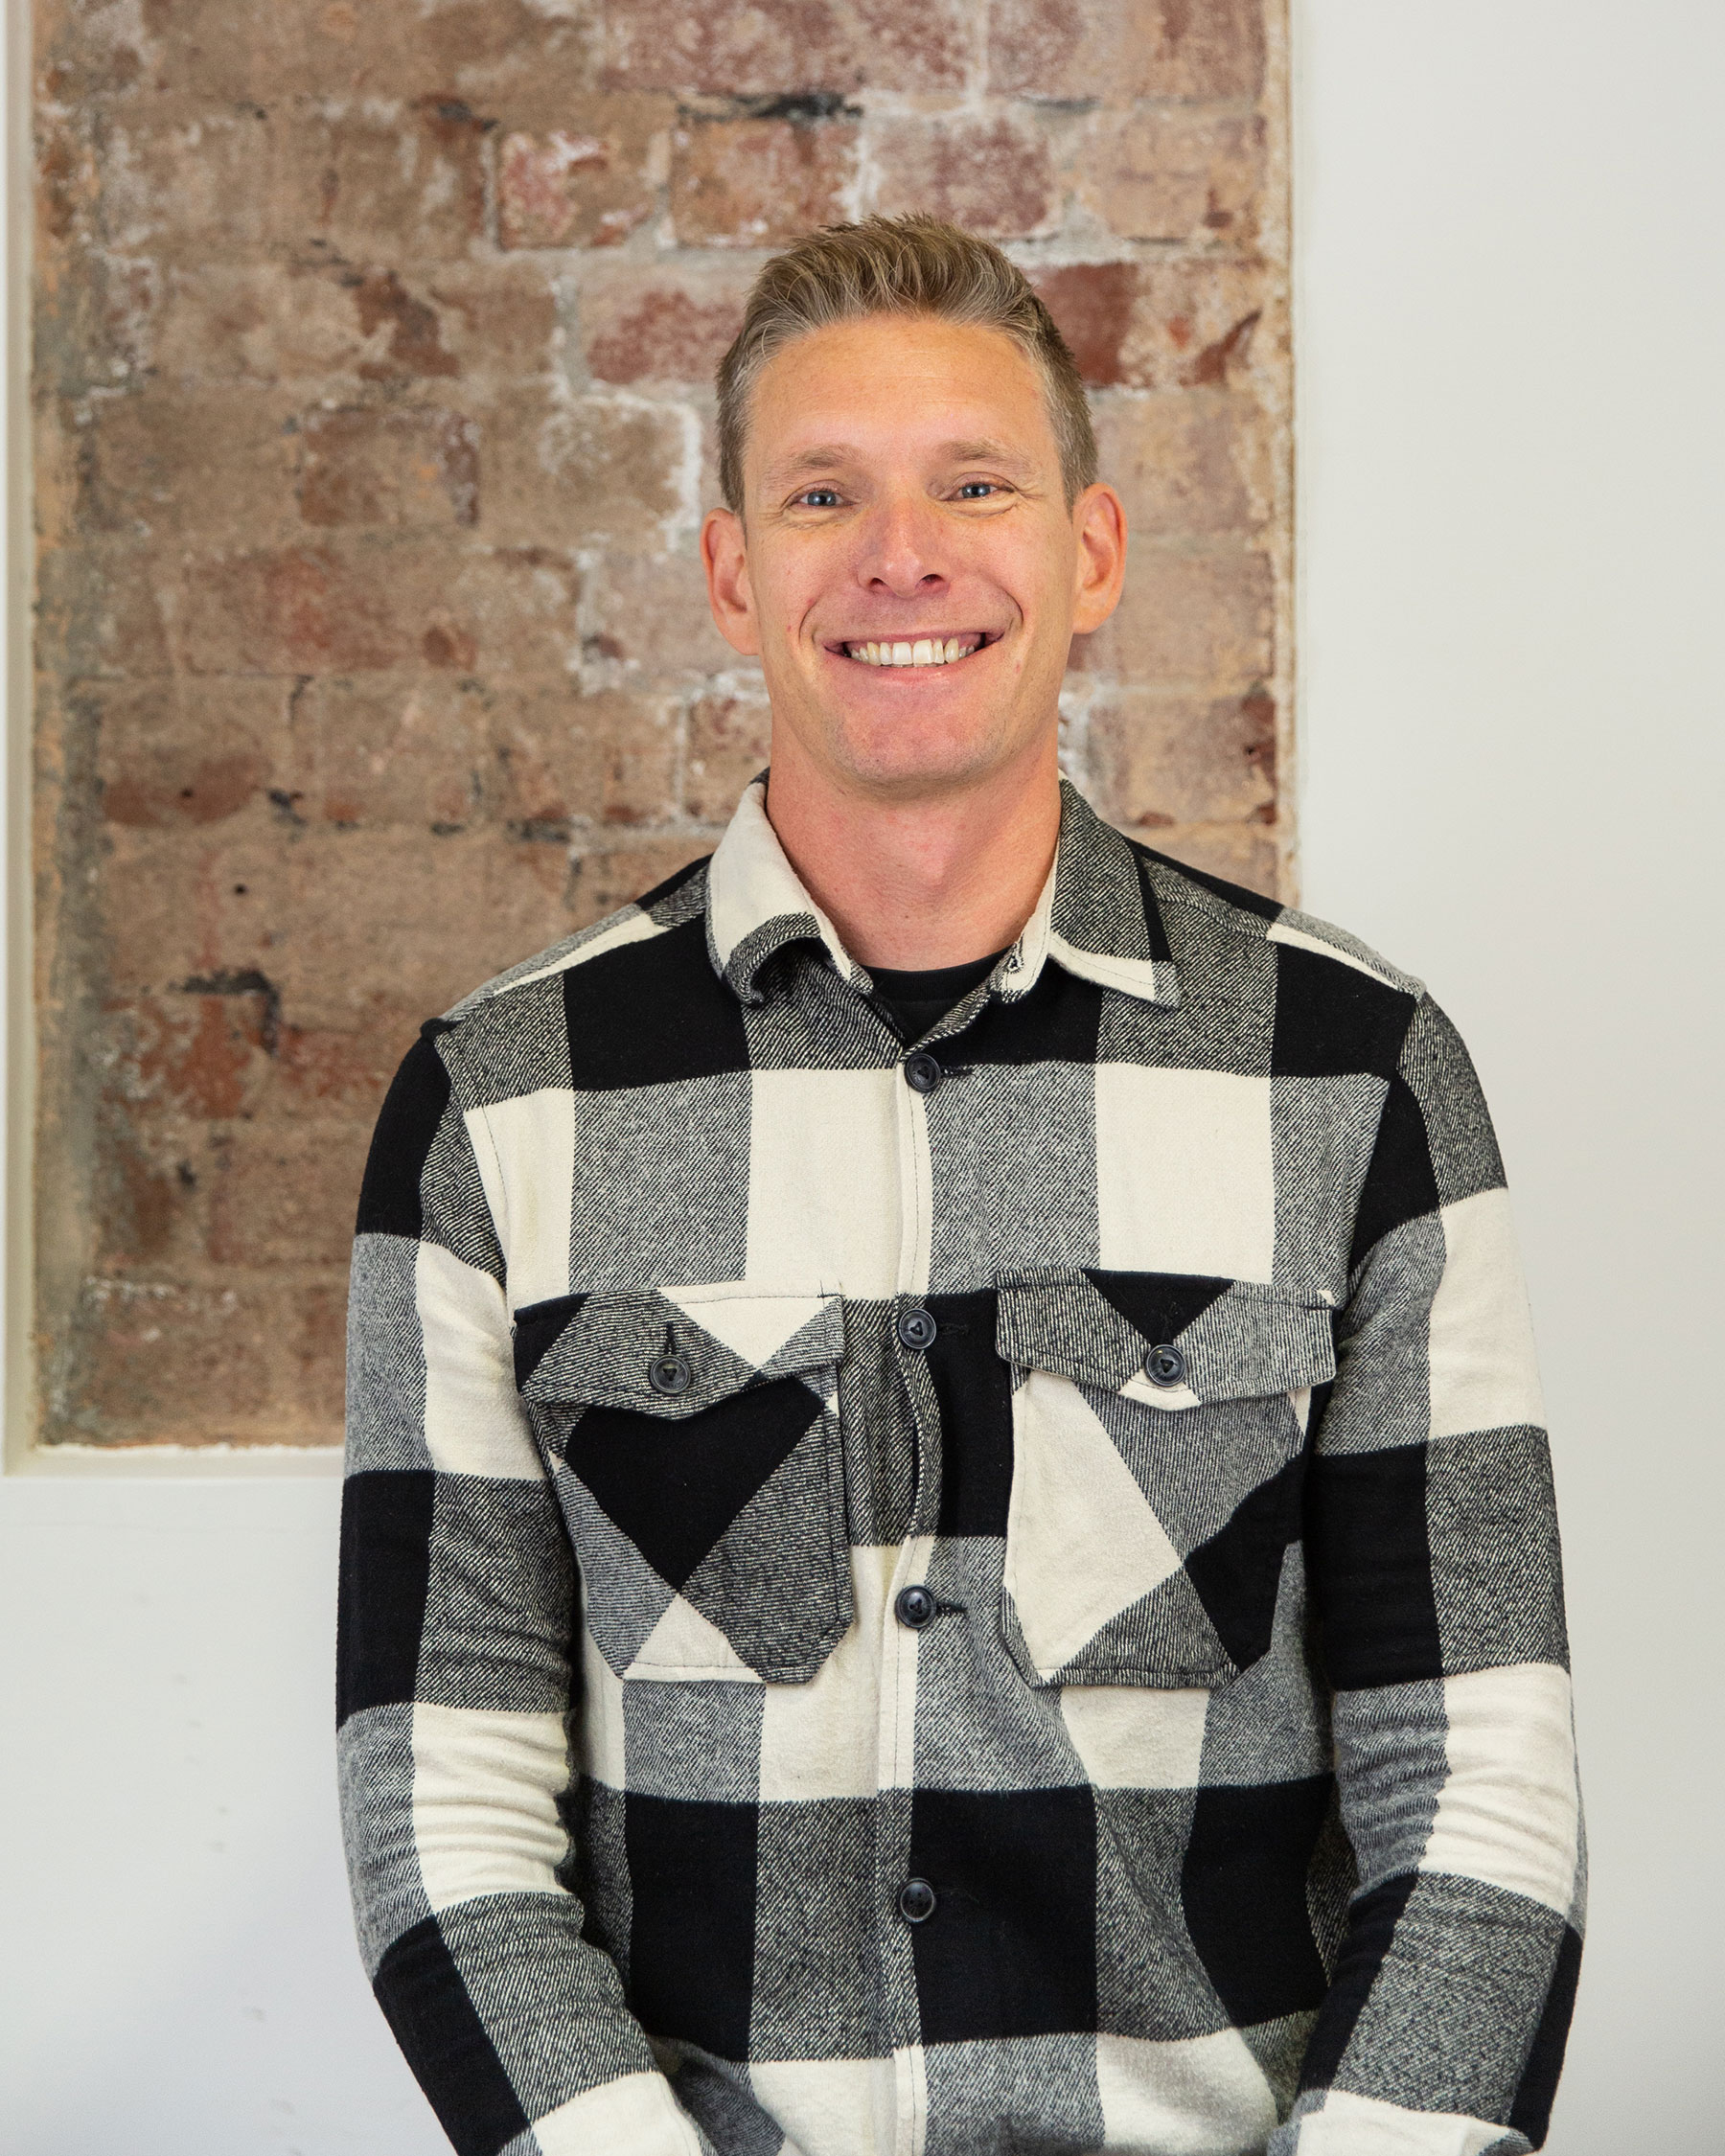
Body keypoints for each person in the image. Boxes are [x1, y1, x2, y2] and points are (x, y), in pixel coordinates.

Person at [337, 215, 1581, 2156]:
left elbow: (1479, 1778)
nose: (901, 556)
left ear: (1090, 553)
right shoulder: (501, 1102)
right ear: (732, 573)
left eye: (975, 484)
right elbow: (445, 1803)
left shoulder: (1356, 1072)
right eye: (823, 493)